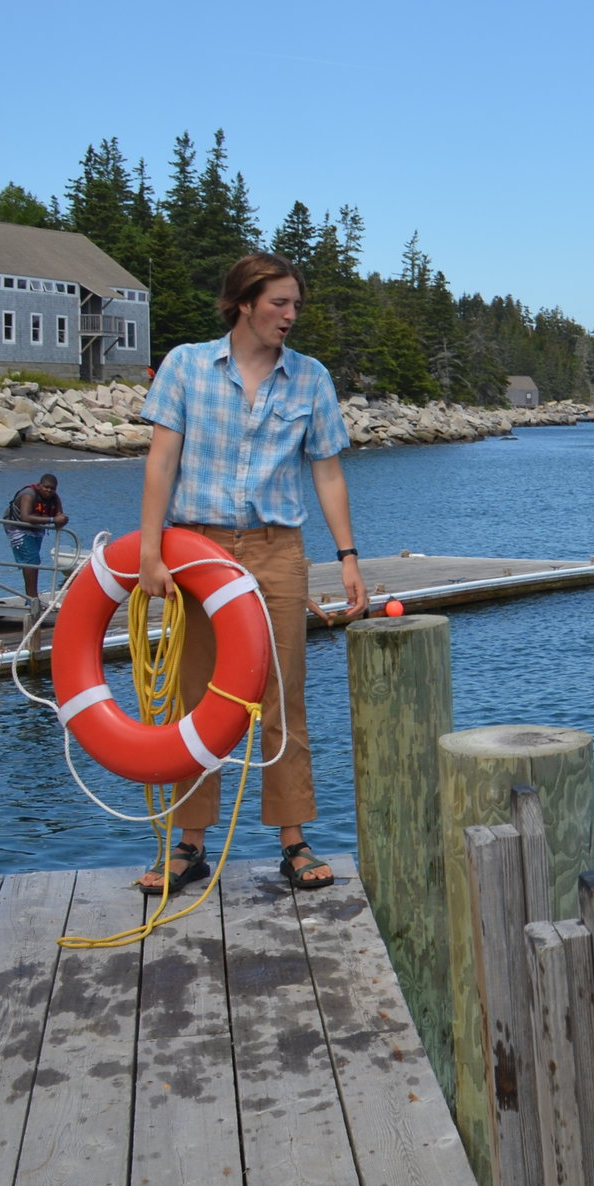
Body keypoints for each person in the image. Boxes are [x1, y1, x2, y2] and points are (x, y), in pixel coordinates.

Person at [135, 253, 366, 898]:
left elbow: (327, 470)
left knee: (283, 694)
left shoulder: (311, 379)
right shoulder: (185, 365)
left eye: (296, 305)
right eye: (279, 304)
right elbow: (161, 462)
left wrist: (347, 557)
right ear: (243, 302)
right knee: (195, 695)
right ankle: (189, 845)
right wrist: (151, 553)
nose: (290, 316)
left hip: (276, 550)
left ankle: (293, 842)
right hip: (198, 550)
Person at [2, 473, 68, 598]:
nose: (49, 490)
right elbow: (25, 517)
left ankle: (31, 597)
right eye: (46, 487)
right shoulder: (29, 494)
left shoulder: (55, 498)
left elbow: (59, 517)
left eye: (52, 488)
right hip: (17, 527)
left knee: (32, 560)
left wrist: (62, 520)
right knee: (32, 560)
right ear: (39, 486)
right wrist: (53, 520)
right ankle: (32, 599)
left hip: (36, 528)